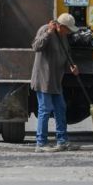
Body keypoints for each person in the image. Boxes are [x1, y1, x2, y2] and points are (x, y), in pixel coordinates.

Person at [31, 13, 81, 152]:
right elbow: (36, 46)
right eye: (68, 29)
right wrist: (48, 32)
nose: (70, 32)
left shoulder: (63, 37)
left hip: (56, 80)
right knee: (45, 110)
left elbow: (66, 54)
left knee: (60, 108)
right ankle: (41, 143)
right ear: (60, 26)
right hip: (44, 79)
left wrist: (71, 66)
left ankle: (62, 141)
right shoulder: (45, 30)